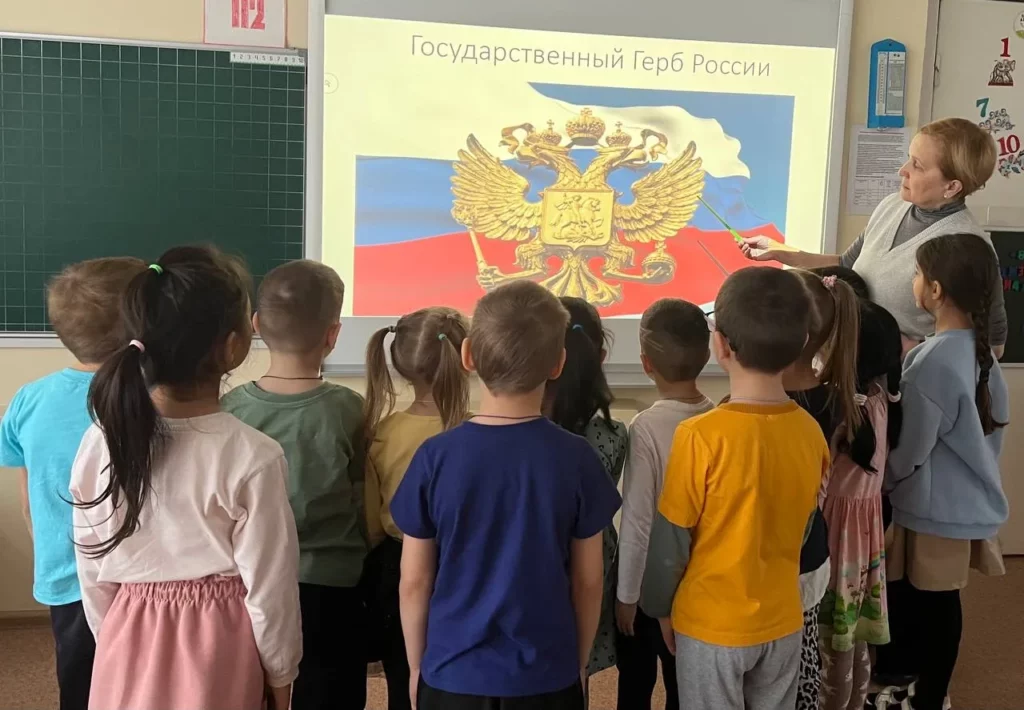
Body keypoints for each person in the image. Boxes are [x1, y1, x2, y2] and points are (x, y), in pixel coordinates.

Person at [69, 247, 301, 710]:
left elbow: (91, 568)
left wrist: (114, 638)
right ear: (233, 346)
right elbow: (270, 589)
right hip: (217, 648)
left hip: (126, 632)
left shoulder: (99, 441)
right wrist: (281, 675)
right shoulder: (253, 455)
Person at [390, 280, 621, 710]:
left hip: (451, 675)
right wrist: (579, 661)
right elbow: (589, 581)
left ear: (468, 356)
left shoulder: (434, 457)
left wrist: (417, 666)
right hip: (547, 675)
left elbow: (414, 581)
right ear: (559, 363)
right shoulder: (578, 458)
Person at [644, 267, 830, 710]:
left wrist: (659, 607)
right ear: (804, 342)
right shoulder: (811, 432)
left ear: (720, 345)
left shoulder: (698, 436)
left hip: (710, 624)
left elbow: (671, 542)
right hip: (783, 618)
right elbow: (805, 526)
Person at [0, 257, 145, 710]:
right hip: (142, 579)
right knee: (143, 682)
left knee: (80, 680)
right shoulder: (150, 396)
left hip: (65, 573)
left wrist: (46, 546)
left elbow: (30, 498)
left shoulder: (29, 398)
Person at [221, 260, 367, 710]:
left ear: (256, 325)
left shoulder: (229, 409)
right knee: (333, 695)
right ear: (333, 335)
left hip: (250, 583)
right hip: (333, 589)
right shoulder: (351, 409)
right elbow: (363, 498)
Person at [875, 233, 1009, 710]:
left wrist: (883, 481)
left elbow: (912, 449)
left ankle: (929, 697)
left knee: (932, 607)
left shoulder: (932, 362)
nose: (913, 282)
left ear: (934, 290)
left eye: (916, 274)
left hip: (932, 511)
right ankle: (918, 690)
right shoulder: (978, 354)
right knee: (934, 603)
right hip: (955, 505)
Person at [741, 118, 1006, 356]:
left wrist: (915, 350)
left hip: (903, 382)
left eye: (917, 165)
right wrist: (781, 252)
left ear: (952, 186)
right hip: (852, 366)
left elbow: (993, 345)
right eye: (909, 158)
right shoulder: (892, 205)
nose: (903, 170)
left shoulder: (968, 246)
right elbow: (846, 264)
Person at [361, 306, 471, 710]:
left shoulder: (383, 432)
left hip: (396, 565)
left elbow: (373, 523)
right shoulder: (474, 431)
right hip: (462, 565)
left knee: (403, 677)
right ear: (466, 358)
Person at [614, 299, 713, 710]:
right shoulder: (716, 417)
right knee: (683, 688)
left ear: (645, 363)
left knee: (635, 686)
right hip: (697, 583)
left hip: (648, 588)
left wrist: (626, 595)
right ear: (708, 355)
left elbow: (637, 520)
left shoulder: (646, 426)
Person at [819, 300, 903, 710]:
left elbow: (819, 486)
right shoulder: (881, 399)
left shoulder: (841, 410)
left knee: (831, 637)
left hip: (836, 533)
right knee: (853, 634)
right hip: (864, 533)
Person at [785, 270, 861, 710]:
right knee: (802, 657)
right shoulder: (837, 398)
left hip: (775, 557)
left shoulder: (760, 407)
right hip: (811, 551)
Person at [546, 297, 627, 681]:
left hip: (539, 565)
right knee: (579, 665)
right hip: (594, 565)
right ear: (601, 357)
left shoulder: (523, 434)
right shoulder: (612, 434)